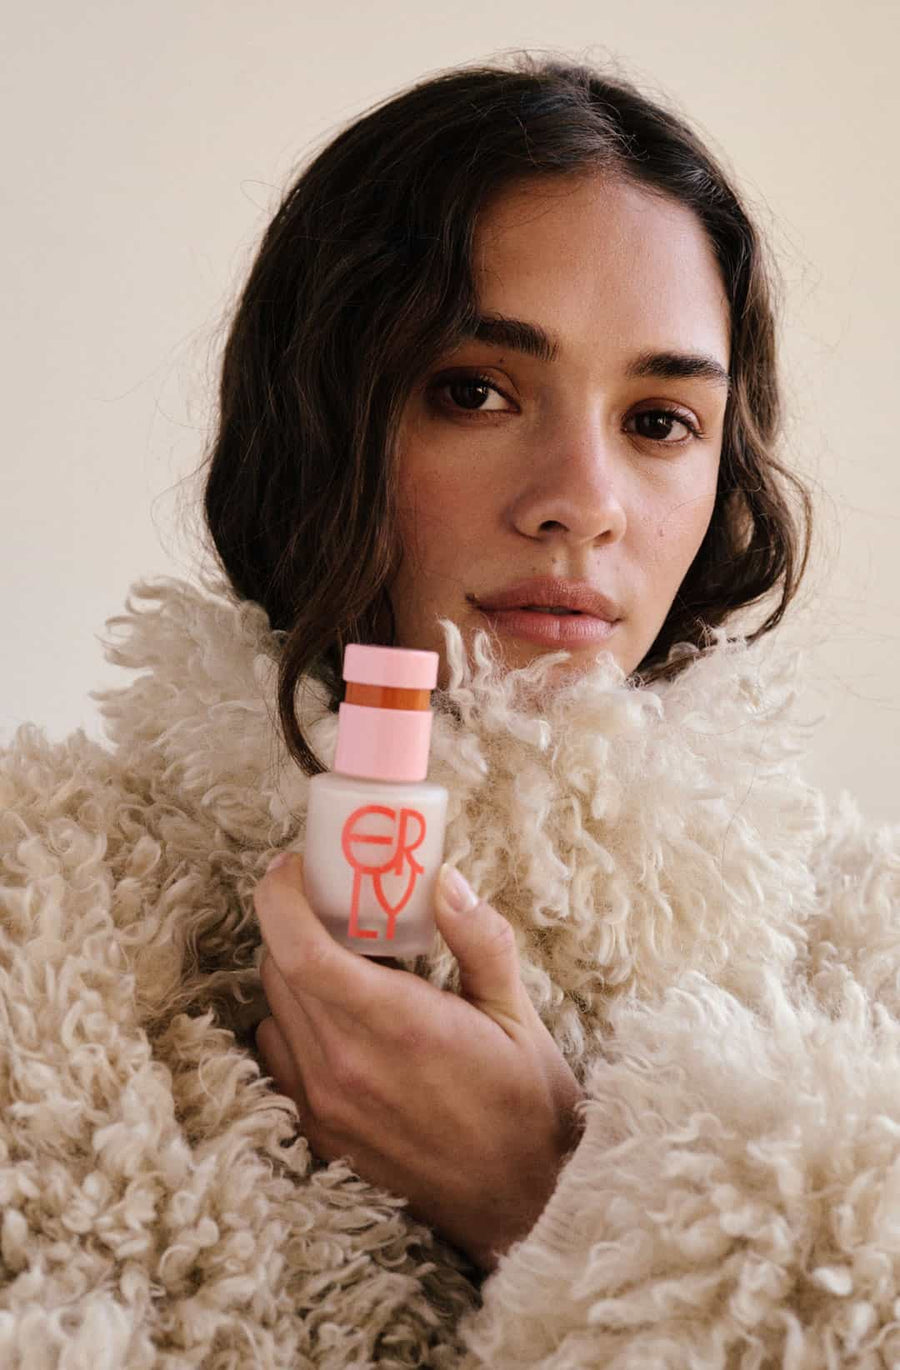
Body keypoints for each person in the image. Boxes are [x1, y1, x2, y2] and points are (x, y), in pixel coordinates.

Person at [2, 52, 898, 1368]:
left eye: (659, 418)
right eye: (475, 388)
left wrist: (555, 1199)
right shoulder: (45, 926)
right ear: (319, 417)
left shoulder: (861, 965)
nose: (580, 497)